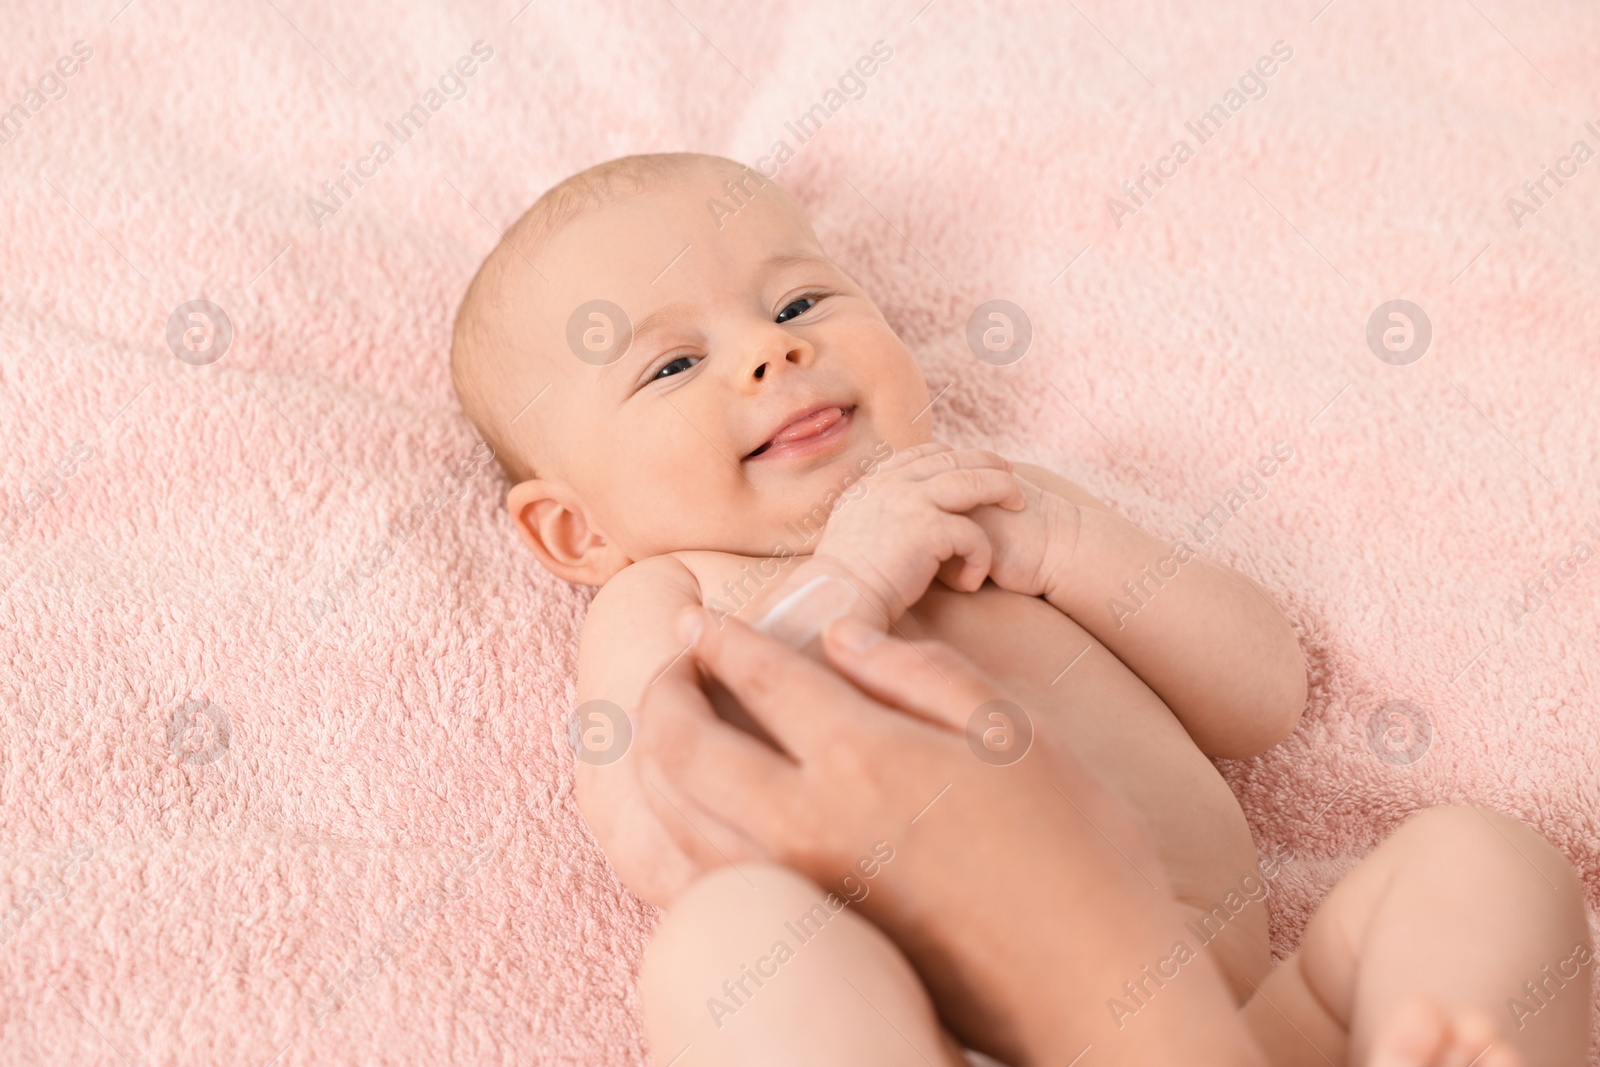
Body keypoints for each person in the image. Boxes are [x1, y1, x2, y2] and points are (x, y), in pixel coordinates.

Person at [632, 603, 1589, 1067]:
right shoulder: (667, 602)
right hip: (935, 1037)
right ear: (575, 528)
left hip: (1235, 1021)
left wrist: (1064, 540)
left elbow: (1263, 693)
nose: (773, 352)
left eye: (804, 303)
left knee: (1477, 859)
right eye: (671, 365)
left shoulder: (990, 514)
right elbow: (656, 833)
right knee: (733, 939)